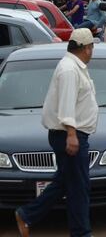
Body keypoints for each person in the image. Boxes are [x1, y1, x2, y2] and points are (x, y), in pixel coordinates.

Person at [15, 29, 97, 237]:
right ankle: (81, 233)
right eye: (91, 47)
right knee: (78, 187)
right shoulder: (70, 69)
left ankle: (27, 214)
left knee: (64, 182)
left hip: (72, 133)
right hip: (69, 134)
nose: (92, 51)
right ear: (86, 48)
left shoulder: (74, 66)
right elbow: (66, 104)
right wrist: (71, 134)